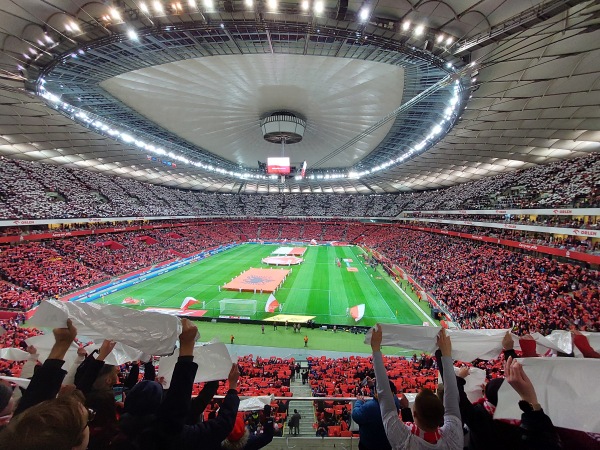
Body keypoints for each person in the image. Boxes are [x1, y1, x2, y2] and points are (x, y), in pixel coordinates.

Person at [370, 324, 463, 449]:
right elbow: (385, 398)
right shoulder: (452, 440)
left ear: (414, 414)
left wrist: (446, 354)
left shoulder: (405, 441)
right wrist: (376, 350)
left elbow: (385, 399)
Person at [352, 378, 403, 450]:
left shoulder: (370, 407)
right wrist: (373, 387)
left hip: (369, 445)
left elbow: (356, 415)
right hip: (387, 444)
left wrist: (358, 402)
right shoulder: (395, 401)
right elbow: (382, 396)